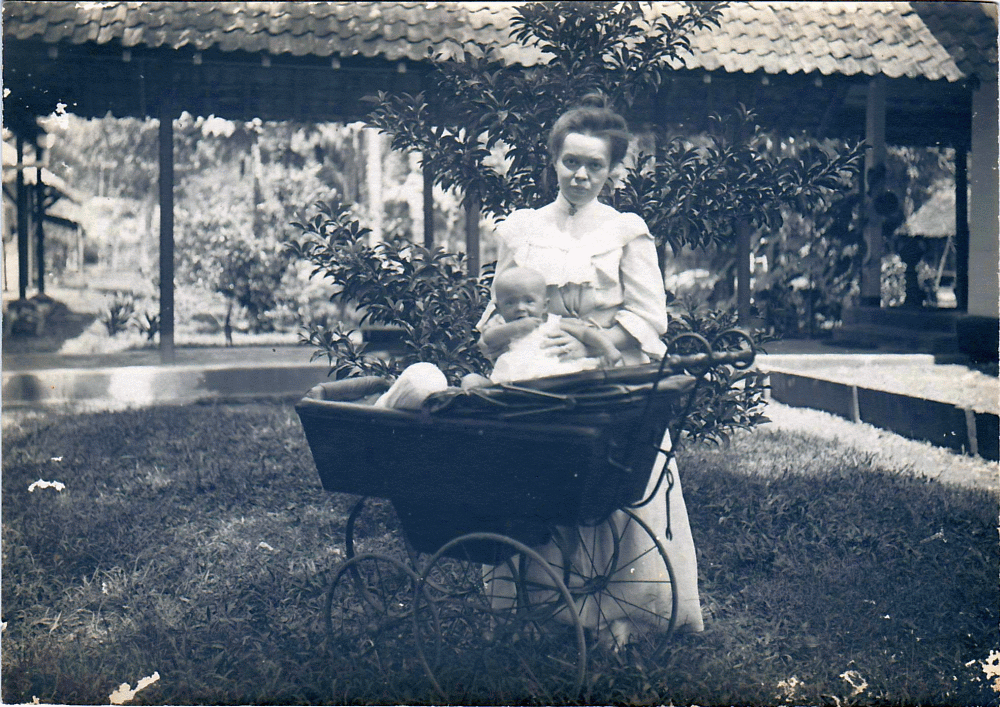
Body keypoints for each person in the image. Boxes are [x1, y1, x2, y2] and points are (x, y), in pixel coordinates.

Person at [476, 93, 705, 643]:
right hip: (536, 379)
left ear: (613, 169)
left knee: (609, 484)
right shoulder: (522, 229)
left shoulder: (626, 230)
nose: (580, 175)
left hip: (609, 373)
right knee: (535, 480)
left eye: (594, 165)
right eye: (570, 162)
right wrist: (513, 337)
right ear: (553, 160)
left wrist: (593, 343)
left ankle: (619, 615)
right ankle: (538, 611)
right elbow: (493, 316)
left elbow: (650, 317)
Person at [462, 265, 622, 387]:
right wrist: (515, 328)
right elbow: (489, 338)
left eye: (529, 301)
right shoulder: (501, 325)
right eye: (510, 302)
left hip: (553, 380)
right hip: (512, 382)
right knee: (471, 382)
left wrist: (609, 348)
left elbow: (585, 333)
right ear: (499, 308)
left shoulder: (553, 322)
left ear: (545, 306)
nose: (520, 308)